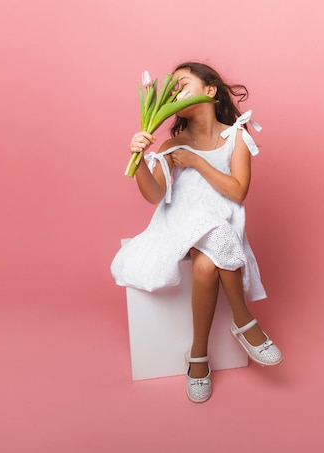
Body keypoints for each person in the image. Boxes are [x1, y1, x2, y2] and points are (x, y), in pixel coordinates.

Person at [111, 61, 282, 403]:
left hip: (222, 222)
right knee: (211, 233)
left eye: (182, 83)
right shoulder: (173, 143)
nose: (174, 92)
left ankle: (198, 358)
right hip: (178, 223)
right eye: (171, 88)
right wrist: (140, 156)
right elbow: (155, 196)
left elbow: (237, 192)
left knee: (207, 264)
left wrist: (198, 162)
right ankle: (244, 322)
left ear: (209, 90)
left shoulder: (236, 137)